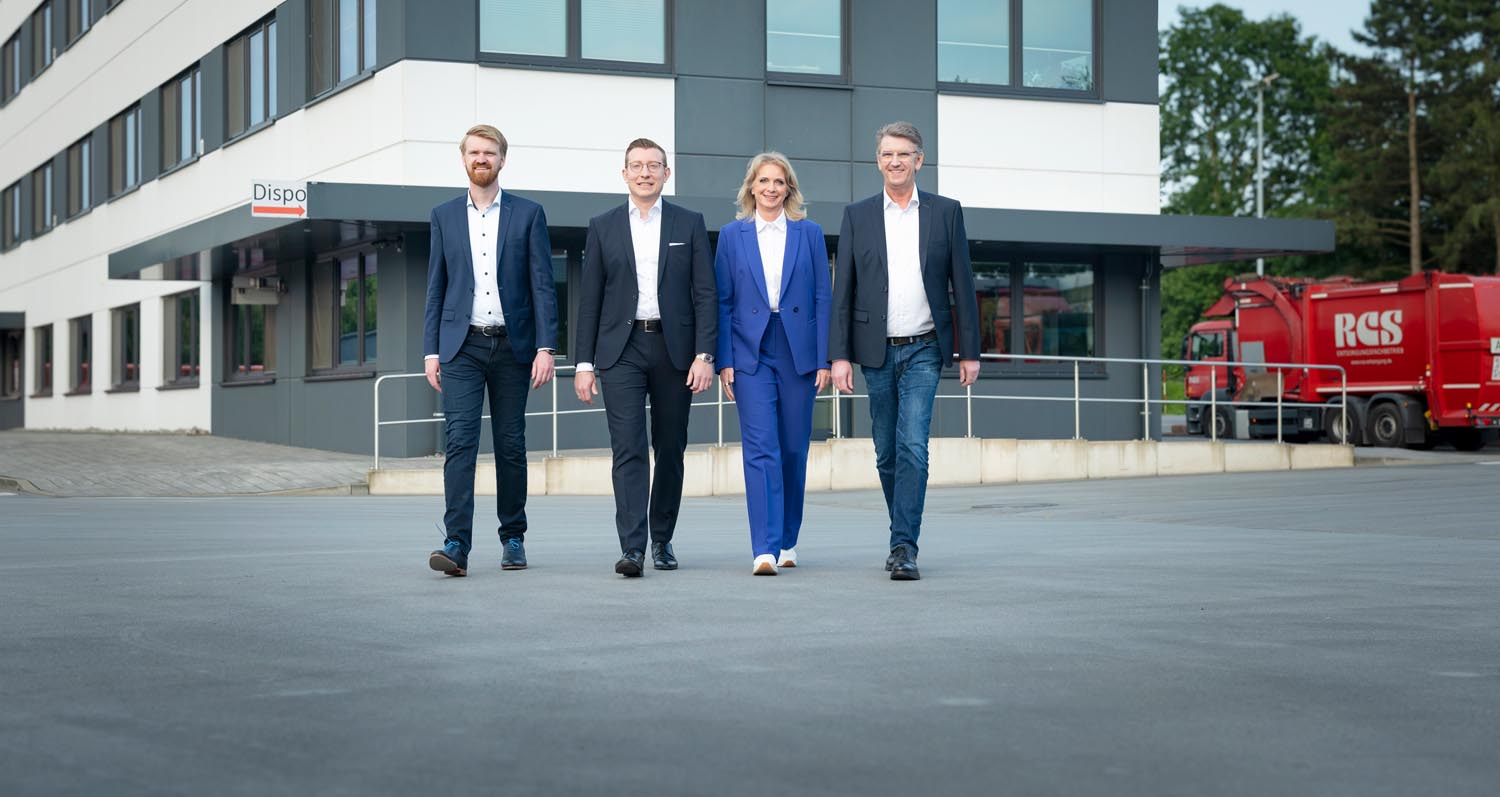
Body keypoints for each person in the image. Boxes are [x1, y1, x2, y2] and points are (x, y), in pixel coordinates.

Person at [829, 122, 981, 581]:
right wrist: (838, 356)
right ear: (878, 161)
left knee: (913, 445)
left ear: (919, 159)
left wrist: (969, 352)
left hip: (925, 348)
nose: (895, 161)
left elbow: (963, 283)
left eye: (904, 154)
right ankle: (901, 531)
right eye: (887, 154)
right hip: (875, 350)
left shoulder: (945, 213)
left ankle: (903, 545)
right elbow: (844, 291)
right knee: (886, 453)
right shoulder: (857, 216)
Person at [573, 138, 716, 578]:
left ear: (666, 174)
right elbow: (590, 298)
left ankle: (662, 539)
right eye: (636, 166)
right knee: (628, 448)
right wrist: (583, 363)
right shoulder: (603, 225)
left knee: (670, 448)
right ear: (624, 173)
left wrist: (705, 354)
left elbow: (706, 294)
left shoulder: (689, 223)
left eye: (654, 165)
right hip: (621, 349)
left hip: (675, 351)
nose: (645, 173)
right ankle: (632, 546)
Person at [423, 124, 559, 577]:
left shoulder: (528, 214)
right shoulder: (443, 216)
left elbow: (543, 285)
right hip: (460, 346)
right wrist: (430, 350)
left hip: (513, 347)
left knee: (510, 444)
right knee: (460, 442)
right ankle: (456, 543)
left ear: (503, 159)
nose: (482, 159)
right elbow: (436, 287)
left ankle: (513, 537)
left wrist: (546, 346)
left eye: (490, 152)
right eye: (475, 152)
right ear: (463, 158)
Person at [714, 153, 830, 575]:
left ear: (789, 188)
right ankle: (763, 548)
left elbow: (822, 297)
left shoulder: (810, 233)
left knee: (794, 448)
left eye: (778, 182)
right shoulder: (731, 236)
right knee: (760, 447)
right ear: (751, 187)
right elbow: (723, 302)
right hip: (751, 351)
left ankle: (787, 539)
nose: (770, 188)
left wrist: (823, 359)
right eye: (763, 181)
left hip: (797, 350)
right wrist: (724, 361)